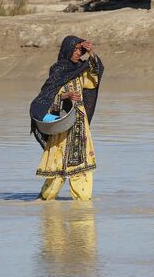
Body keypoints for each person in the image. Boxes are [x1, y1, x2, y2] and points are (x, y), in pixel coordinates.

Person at [30, 35, 104, 201]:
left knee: (82, 167)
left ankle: (83, 209)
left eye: (80, 49)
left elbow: (94, 79)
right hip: (63, 124)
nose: (78, 52)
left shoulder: (81, 69)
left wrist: (92, 53)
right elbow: (47, 96)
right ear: (67, 50)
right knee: (58, 167)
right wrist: (66, 96)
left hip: (80, 123)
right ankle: (45, 201)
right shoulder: (57, 70)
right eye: (76, 49)